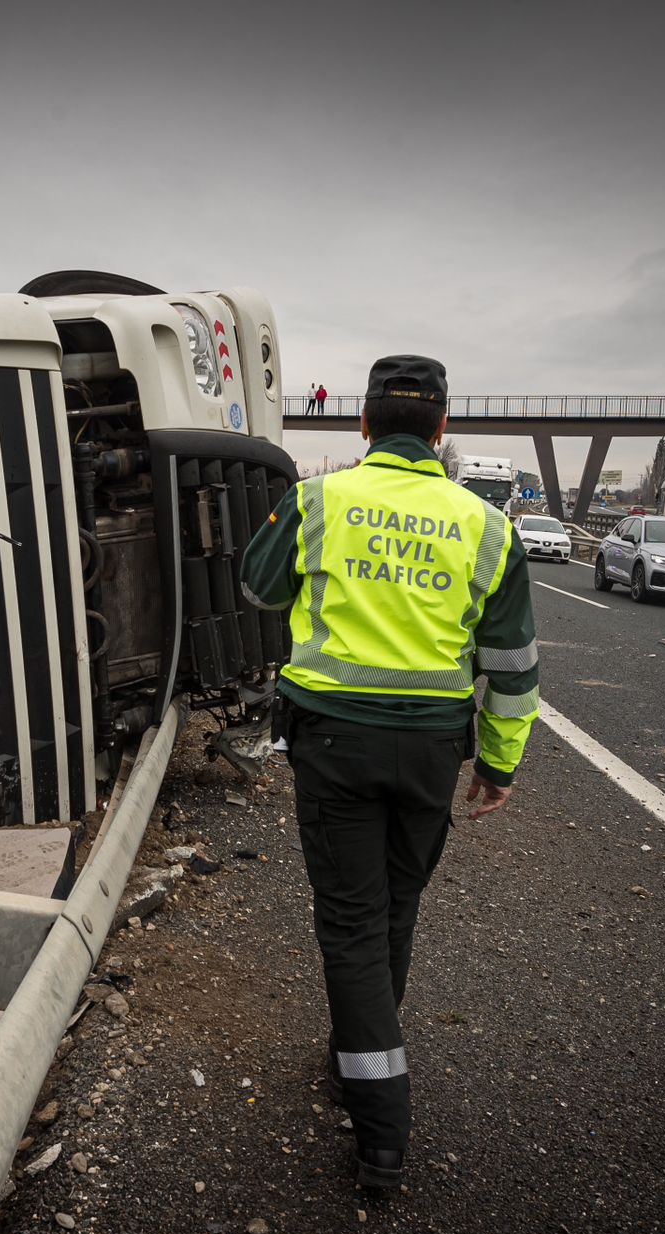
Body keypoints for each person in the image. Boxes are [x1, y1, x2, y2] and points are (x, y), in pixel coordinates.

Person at [239, 355, 539, 1190]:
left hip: (335, 744)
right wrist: (500, 763)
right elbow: (511, 666)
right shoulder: (486, 526)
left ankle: (381, 1123)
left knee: (350, 925)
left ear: (362, 425)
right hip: (431, 752)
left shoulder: (319, 500)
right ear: (443, 431)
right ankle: (363, 1047)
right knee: (393, 910)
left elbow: (257, 589)